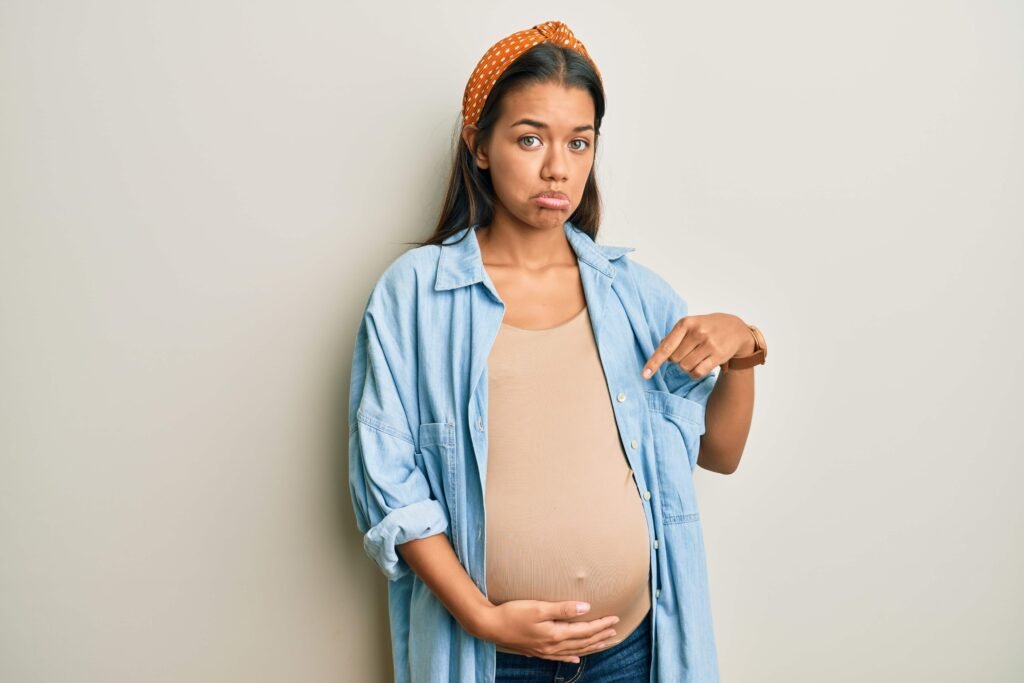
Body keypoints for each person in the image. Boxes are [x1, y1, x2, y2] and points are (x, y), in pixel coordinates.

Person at [348, 20, 767, 683]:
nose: (557, 167)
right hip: (491, 659)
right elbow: (389, 485)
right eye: (529, 138)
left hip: (632, 655)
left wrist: (744, 349)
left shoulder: (634, 295)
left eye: (579, 142)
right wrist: (484, 618)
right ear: (479, 145)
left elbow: (718, 451)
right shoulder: (417, 296)